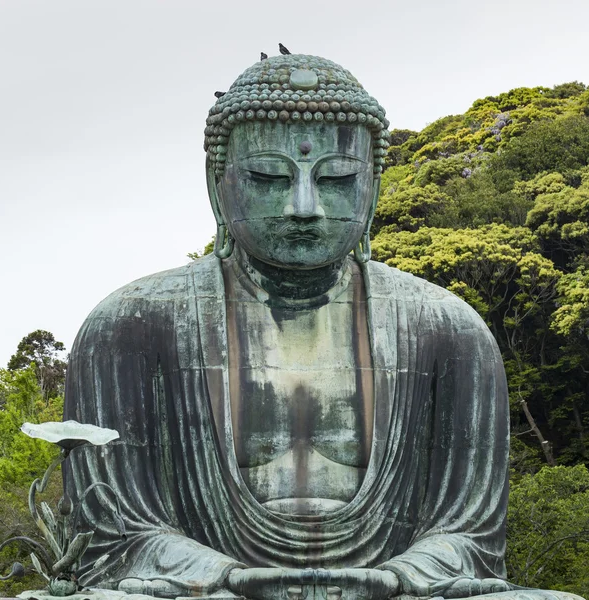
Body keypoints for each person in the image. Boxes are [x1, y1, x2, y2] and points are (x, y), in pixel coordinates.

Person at [64, 54, 579, 600]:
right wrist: (225, 577)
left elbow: (470, 538)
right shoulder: (132, 325)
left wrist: (399, 577)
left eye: (336, 178)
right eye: (267, 176)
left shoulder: (449, 330)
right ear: (219, 185)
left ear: (373, 189)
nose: (303, 206)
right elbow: (112, 535)